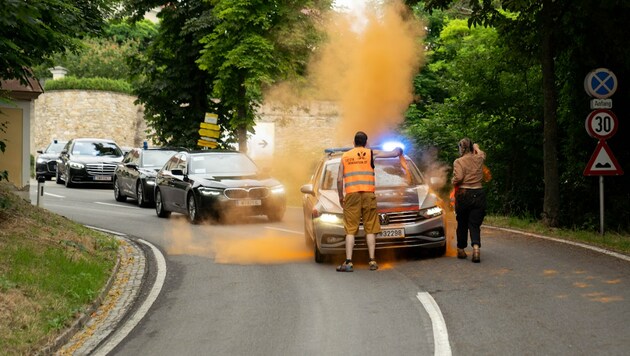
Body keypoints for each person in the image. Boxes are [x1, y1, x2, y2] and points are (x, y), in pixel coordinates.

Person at [335, 131, 403, 272]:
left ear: (353, 142)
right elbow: (393, 153)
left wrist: (341, 197)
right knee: (370, 228)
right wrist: (399, 150)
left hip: (352, 195)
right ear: (366, 142)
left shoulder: (345, 156)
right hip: (368, 194)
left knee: (350, 230)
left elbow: (339, 179)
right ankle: (372, 261)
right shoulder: (371, 153)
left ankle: (348, 262)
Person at [452, 138, 487, 263]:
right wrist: (476, 148)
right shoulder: (479, 158)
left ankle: (461, 249)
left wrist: (453, 181)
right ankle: (476, 248)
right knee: (474, 223)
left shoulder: (458, 161)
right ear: (472, 148)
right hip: (479, 193)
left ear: (461, 148)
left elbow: (459, 177)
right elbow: (482, 154)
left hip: (464, 194)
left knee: (462, 223)